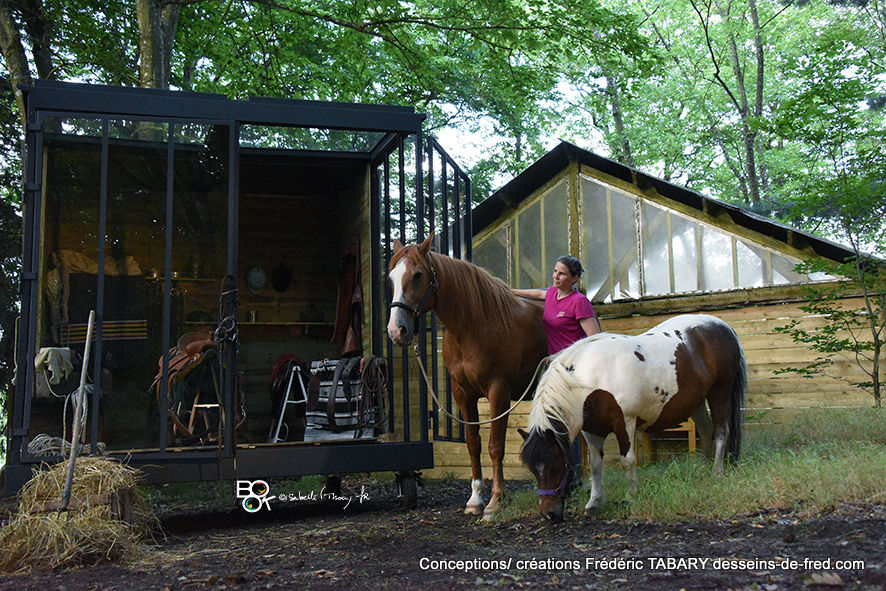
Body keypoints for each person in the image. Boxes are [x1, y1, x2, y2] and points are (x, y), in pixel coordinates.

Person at [513, 255, 601, 485]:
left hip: (574, 369)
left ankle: (573, 479)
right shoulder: (552, 294)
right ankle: (557, 477)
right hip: (554, 371)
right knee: (551, 425)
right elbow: (538, 294)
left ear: (573, 278)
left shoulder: (579, 302)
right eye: (554, 271)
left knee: (566, 426)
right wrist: (510, 291)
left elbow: (595, 339)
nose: (555, 276)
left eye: (561, 273)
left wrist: (561, 355)